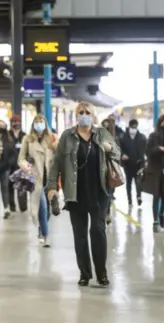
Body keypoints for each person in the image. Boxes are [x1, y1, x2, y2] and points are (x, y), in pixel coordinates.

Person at [47, 102, 120, 287]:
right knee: (80, 235)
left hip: (99, 192)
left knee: (98, 231)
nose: (84, 115)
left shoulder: (102, 133)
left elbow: (117, 152)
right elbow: (56, 163)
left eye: (88, 112)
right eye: (81, 112)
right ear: (76, 115)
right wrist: (52, 187)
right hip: (75, 194)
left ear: (93, 115)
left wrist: (109, 148)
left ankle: (101, 273)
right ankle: (84, 273)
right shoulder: (67, 137)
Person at [18, 114, 56, 247]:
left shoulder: (51, 139)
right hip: (35, 178)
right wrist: (27, 166)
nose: (39, 124)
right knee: (43, 207)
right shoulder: (27, 139)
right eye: (36, 122)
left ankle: (41, 229)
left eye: (41, 122)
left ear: (45, 124)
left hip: (49, 179)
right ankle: (46, 235)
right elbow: (21, 158)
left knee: (48, 210)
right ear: (33, 124)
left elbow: (57, 157)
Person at [143, 115, 164, 233]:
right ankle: (155, 221)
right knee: (156, 195)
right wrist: (158, 149)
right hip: (155, 168)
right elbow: (148, 151)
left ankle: (161, 213)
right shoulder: (153, 136)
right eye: (163, 124)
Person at [120, 119, 147, 207]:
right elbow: (119, 148)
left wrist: (144, 162)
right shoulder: (123, 137)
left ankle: (139, 197)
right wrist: (122, 155)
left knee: (138, 182)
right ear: (129, 126)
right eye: (132, 127)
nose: (133, 129)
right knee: (128, 182)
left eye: (135, 127)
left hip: (138, 164)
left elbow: (145, 150)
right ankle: (129, 199)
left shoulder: (142, 137)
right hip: (127, 164)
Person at [8, 114, 27, 213]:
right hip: (10, 165)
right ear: (11, 124)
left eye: (18, 122)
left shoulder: (24, 135)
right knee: (10, 186)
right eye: (14, 122)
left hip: (21, 165)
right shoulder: (8, 135)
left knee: (22, 186)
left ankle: (23, 206)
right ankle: (12, 205)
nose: (16, 124)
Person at [0, 119, 16, 219]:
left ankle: (6, 208)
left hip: (4, 168)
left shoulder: (8, 140)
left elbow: (14, 154)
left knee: (5, 188)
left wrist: (9, 164)